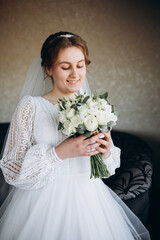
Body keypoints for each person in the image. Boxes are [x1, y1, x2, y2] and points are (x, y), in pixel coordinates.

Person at [0, 31, 150, 240]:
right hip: (41, 205)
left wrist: (106, 153)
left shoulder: (95, 107)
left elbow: (106, 169)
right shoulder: (30, 107)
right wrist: (59, 153)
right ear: (48, 68)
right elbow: (12, 170)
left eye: (80, 65)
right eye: (65, 66)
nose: (75, 74)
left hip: (90, 202)